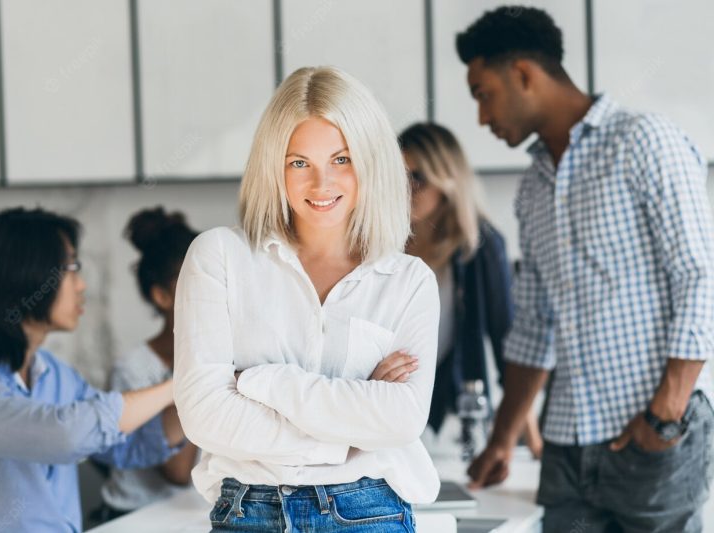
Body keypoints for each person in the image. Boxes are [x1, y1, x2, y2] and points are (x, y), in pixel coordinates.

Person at [456, 6, 714, 532]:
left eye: (484, 94)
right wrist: (503, 438)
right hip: (567, 446)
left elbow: (700, 277)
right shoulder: (533, 188)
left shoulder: (643, 142)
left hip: (651, 440)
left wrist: (663, 416)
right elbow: (534, 327)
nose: (482, 118)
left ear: (524, 73)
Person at [173, 66, 440, 531]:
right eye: (300, 163)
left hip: (369, 512)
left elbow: (400, 420)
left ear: (370, 160)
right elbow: (205, 415)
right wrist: (349, 434)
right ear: (273, 167)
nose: (321, 184)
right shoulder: (218, 256)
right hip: (249, 512)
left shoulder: (409, 281)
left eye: (341, 159)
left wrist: (261, 382)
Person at [0, 207, 186, 533]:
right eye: (71, 268)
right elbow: (65, 435)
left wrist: (204, 392)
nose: (82, 285)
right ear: (22, 275)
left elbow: (125, 445)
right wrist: (180, 385)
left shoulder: (56, 375)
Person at [399, 122, 542, 459]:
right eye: (398, 176)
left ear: (448, 179)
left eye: (418, 177)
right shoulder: (384, 244)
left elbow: (508, 343)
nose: (406, 189)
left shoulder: (481, 248)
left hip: (454, 416)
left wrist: (532, 440)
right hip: (387, 410)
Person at [98, 207, 200, 519]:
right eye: (195, 282)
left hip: (193, 514)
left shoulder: (232, 354)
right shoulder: (132, 369)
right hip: (137, 516)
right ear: (162, 296)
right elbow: (178, 471)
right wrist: (197, 363)